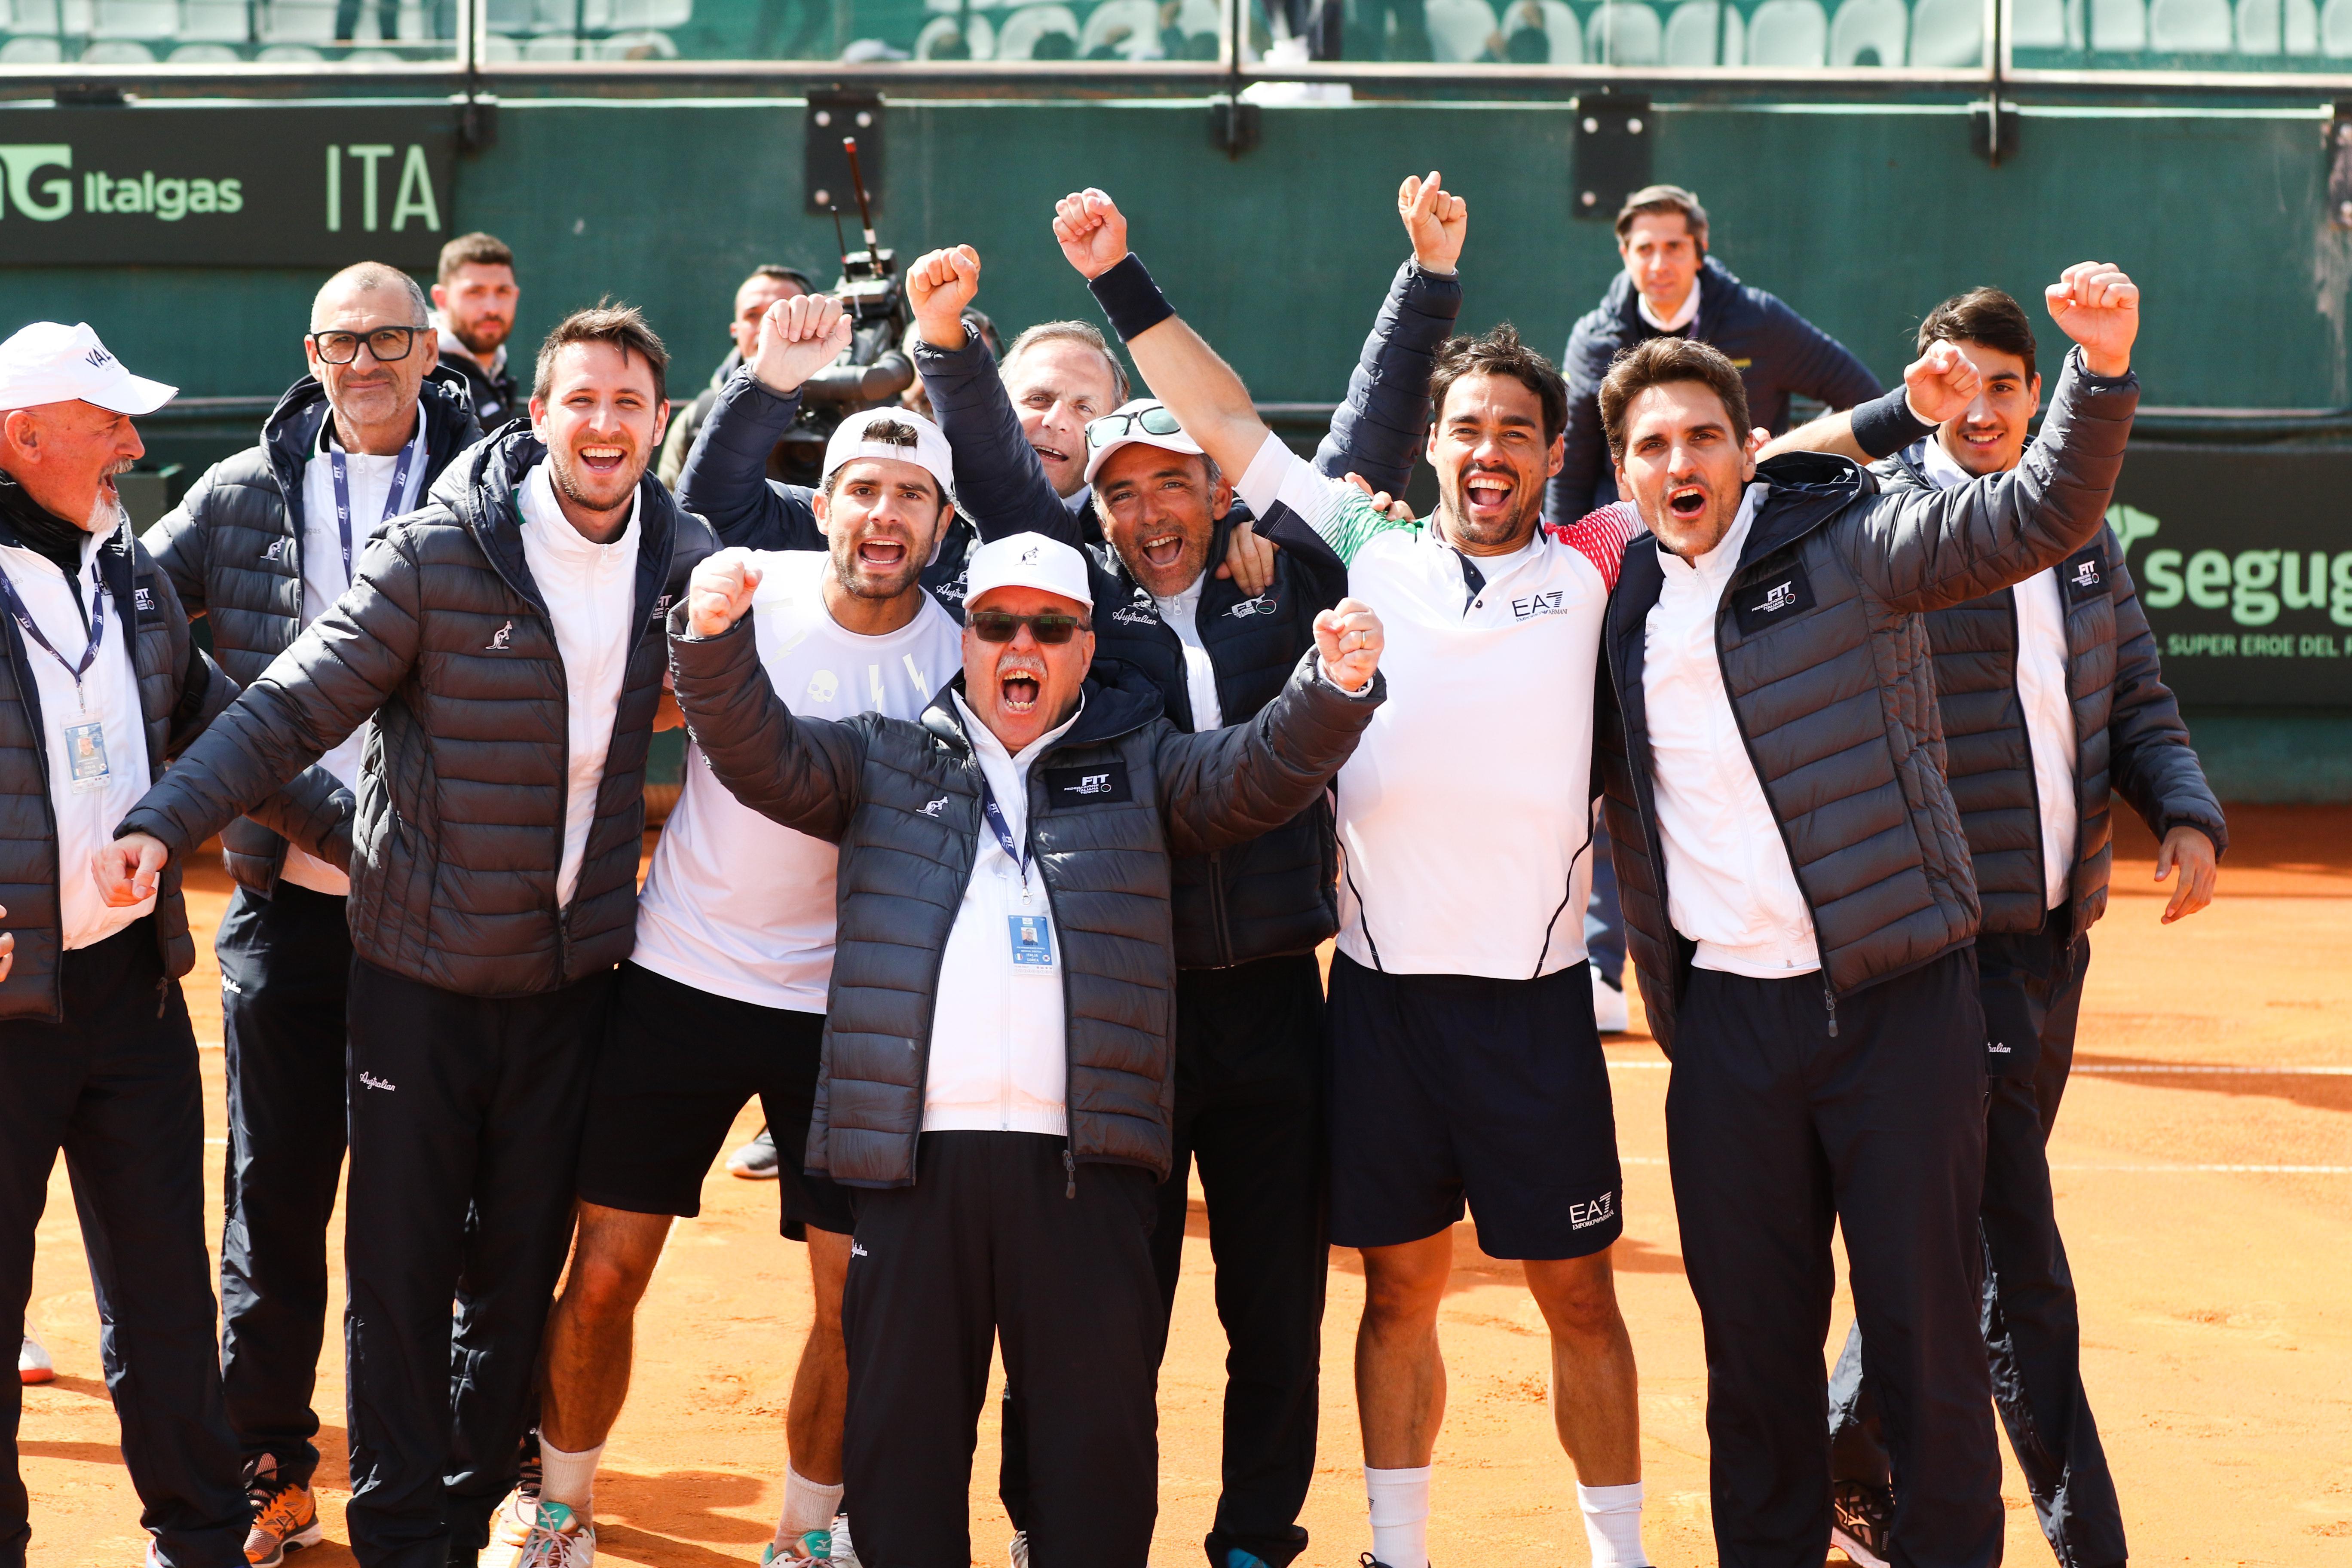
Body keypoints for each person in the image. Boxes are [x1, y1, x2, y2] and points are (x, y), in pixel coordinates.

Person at [1054, 184, 1654, 1568]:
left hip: (1539, 1003)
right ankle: (1398, 1551)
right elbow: (1220, 425)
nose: (1489, 447)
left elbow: (1719, 478)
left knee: (1579, 1298)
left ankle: (1618, 1554)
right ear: (1435, 449)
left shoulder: (1601, 554)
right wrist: (1120, 278)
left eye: (1517, 428)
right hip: (1380, 1006)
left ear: (1555, 451)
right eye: (1467, 428)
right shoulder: (1366, 543)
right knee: (1397, 1296)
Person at [98, 304, 715, 1568]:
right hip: (418, 980)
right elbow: (284, 709)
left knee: (513, 1274)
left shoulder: (684, 556)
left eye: (630, 407)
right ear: (537, 415)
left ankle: (474, 1498)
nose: (605, 426)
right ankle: (396, 1535)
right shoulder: (436, 551)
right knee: (396, 1264)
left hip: (568, 986)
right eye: (582, 400)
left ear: (658, 426)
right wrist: (169, 818)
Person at [900, 174, 1455, 1568]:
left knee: (1274, 1313)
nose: (1150, 510)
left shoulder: (1288, 579)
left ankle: (1256, 1538)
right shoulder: (1078, 616)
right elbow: (1002, 475)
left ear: (1217, 489)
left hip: (1278, 1005)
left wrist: (1426, 281)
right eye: (1122, 493)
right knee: (1103, 1321)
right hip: (1123, 1020)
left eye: (1174, 483)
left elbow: (1366, 436)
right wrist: (951, 354)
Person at [668, 529, 1386, 1568]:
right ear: (964, 641)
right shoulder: (880, 754)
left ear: (1086, 649)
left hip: (1080, 1175)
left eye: (1050, 628)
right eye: (997, 624)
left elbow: (1254, 774)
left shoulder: (1139, 767)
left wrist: (1333, 685)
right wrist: (712, 639)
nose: (1023, 645)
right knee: (902, 1468)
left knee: (1093, 1477)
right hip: (912, 1171)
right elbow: (753, 749)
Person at [1585, 263, 2144, 1568]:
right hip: (1726, 1034)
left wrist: (2099, 375)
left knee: (1928, 1336)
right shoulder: (1609, 601)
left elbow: (2041, 513)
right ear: (1624, 472)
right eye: (1653, 444)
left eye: (1705, 438)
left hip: (1898, 1006)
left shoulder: (1851, 545)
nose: (1682, 463)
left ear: (1748, 452)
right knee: (1757, 1358)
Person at [1758, 285, 2224, 1568]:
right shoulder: (1887, 515)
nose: (1982, 404)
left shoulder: (2080, 543)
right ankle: (2087, 1538)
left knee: (1945, 1223)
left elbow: (2135, 689)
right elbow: (1764, 477)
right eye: (1955, 381)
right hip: (1942, 952)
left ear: (2033, 396)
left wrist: (2182, 810)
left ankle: (1849, 1456)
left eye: (2007, 384)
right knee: (2014, 1256)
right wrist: (1888, 415)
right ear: (1924, 387)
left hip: (2054, 939)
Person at [508, 297, 968, 1568]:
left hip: (854, 1011)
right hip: (681, 975)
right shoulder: (744, 594)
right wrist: (765, 374)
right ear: (821, 505)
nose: (883, 515)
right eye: (861, 489)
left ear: (940, 523)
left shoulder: (968, 649)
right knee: (603, 1272)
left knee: (851, 1297)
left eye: (911, 498)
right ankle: (558, 1506)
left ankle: (808, 1533)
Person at [142, 260, 483, 1568]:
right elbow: (136, 609)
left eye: (392, 338)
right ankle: (268, 1459)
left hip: (446, 913)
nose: (367, 361)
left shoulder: (493, 484)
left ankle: (442, 1467)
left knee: (437, 1206)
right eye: (344, 341)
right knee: (273, 1195)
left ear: (430, 347)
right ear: (313, 351)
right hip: (289, 903)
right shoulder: (236, 491)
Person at [0, 320, 350, 1568]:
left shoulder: (132, 576)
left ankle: (199, 1538)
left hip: (130, 995)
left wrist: (372, 845)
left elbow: (233, 736)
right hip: (4, 1008)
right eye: (107, 425)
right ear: (22, 434)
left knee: (162, 1291)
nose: (134, 446)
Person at [1549, 184, 1883, 1037]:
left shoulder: (1756, 322)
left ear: (1699, 250)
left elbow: (1852, 388)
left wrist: (1777, 485)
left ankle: (1811, 943)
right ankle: (1600, 961)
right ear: (1624, 258)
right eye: (1641, 250)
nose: (1657, 264)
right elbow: (1577, 469)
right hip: (1628, 570)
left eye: (1672, 247)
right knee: (1624, 760)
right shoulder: (1596, 340)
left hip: (1748, 569)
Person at [656, 264, 814, 489]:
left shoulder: (849, 406)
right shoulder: (699, 419)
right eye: (753, 315)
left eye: (783, 313)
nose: (767, 326)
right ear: (735, 330)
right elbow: (671, 512)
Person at [432, 233, 524, 429]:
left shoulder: (497, 366)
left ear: (515, 296)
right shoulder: (425, 379)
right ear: (442, 299)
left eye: (502, 292)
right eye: (475, 292)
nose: (492, 308)